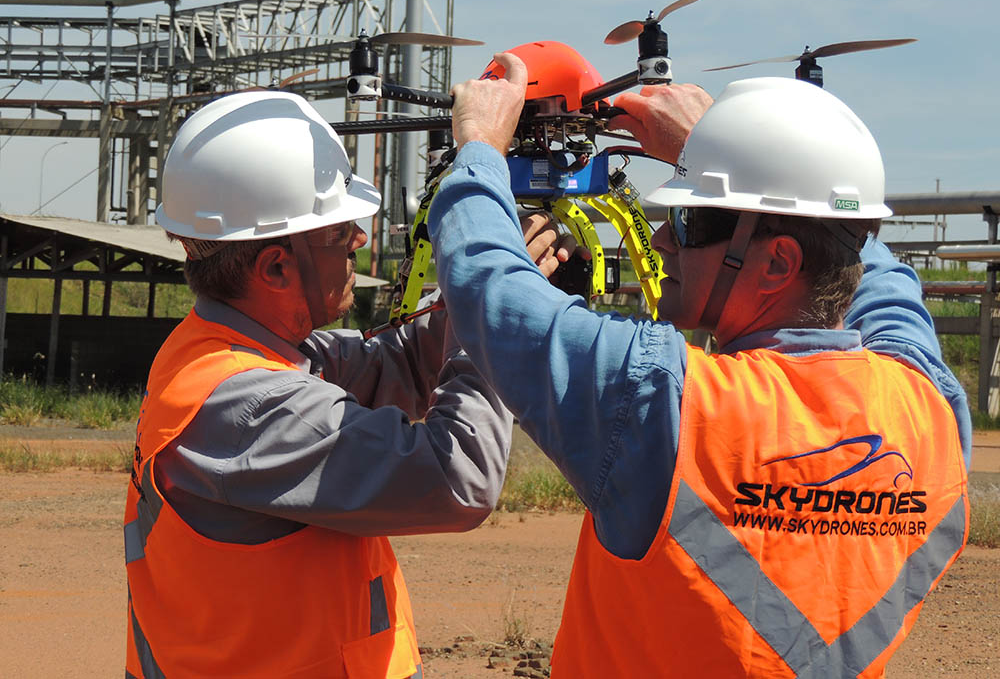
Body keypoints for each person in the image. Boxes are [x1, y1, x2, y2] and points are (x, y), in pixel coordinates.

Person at [428, 53, 971, 677]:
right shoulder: (927, 405)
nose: (662, 240)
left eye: (689, 220)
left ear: (776, 264)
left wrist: (479, 151)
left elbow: (488, 289)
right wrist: (732, 152)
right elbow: (878, 275)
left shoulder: (666, 401)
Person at [122, 90, 566, 679]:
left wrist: (470, 284)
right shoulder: (248, 405)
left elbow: (397, 364)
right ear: (276, 267)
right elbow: (460, 478)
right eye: (339, 232)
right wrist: (491, 303)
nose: (360, 239)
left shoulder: (223, 352)